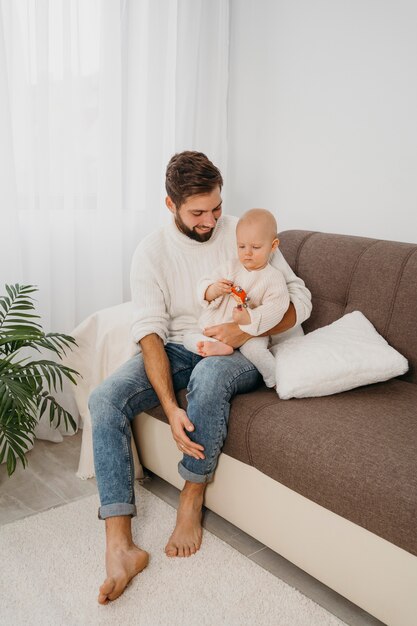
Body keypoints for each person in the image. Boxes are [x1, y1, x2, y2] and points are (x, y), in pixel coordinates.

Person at [89, 151, 312, 605]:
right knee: (105, 400)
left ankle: (192, 497)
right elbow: (149, 332)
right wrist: (169, 406)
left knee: (210, 375)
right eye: (198, 212)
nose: (212, 220)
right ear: (170, 205)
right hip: (179, 345)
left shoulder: (244, 232)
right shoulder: (151, 253)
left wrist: (246, 328)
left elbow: (298, 298)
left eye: (216, 207)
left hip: (239, 347)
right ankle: (120, 546)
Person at [183, 208, 289, 388]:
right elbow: (204, 282)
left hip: (250, 334)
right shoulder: (230, 267)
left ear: (273, 246)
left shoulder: (274, 278)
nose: (247, 253)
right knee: (188, 337)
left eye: (255, 247)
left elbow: (277, 307)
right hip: (217, 326)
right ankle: (217, 347)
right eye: (241, 246)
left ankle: (276, 380)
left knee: (255, 351)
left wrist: (249, 319)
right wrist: (214, 290)